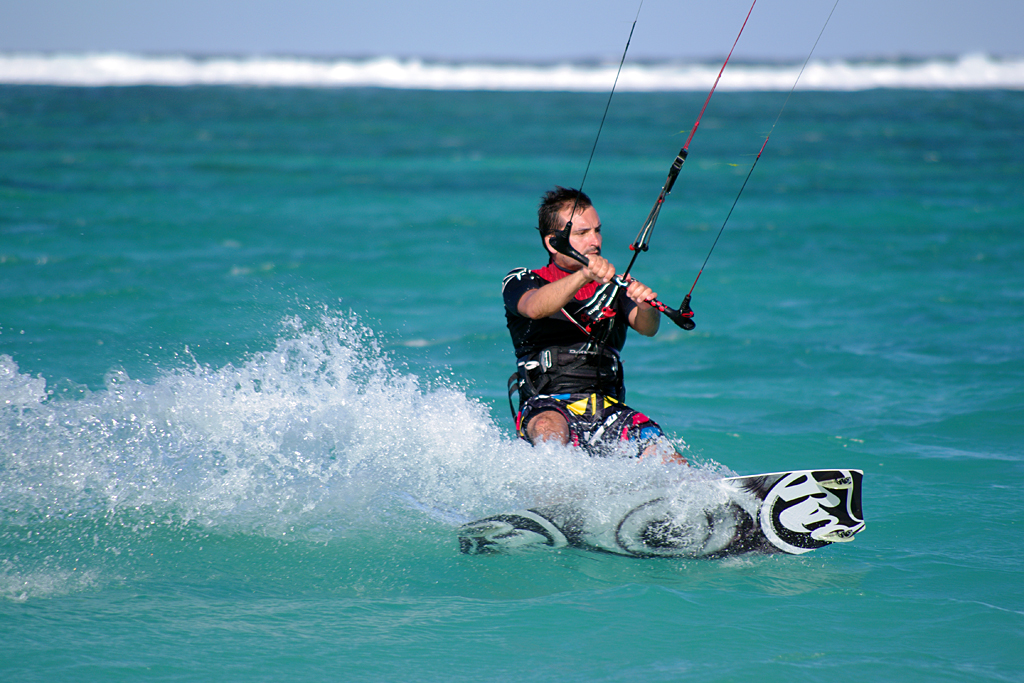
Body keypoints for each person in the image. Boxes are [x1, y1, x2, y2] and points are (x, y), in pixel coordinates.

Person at [503, 186, 681, 460]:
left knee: (658, 447)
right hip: (546, 406)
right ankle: (552, 487)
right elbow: (535, 307)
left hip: (607, 411)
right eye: (582, 233)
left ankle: (706, 496)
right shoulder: (522, 280)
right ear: (554, 242)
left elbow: (648, 327)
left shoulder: (616, 288)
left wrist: (645, 306)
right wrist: (584, 275)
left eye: (597, 230)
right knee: (548, 428)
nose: (595, 241)